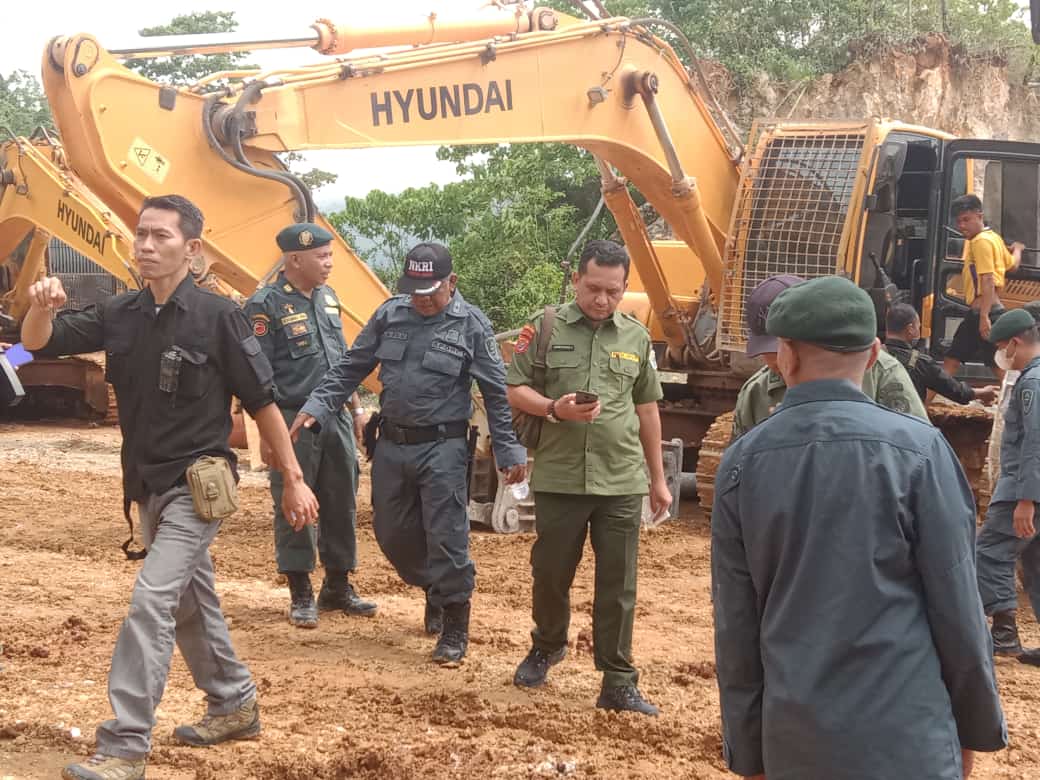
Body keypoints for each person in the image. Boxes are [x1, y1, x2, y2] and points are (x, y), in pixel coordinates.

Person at [21, 195, 319, 780]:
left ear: (193, 249)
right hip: (148, 485)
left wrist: (294, 480)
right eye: (141, 235)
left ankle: (124, 744)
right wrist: (41, 306)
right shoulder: (119, 313)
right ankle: (233, 701)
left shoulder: (219, 317)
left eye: (162, 236)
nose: (148, 246)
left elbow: (262, 405)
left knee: (151, 600)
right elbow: (35, 342)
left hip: (198, 485)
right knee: (188, 603)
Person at [712, 275, 1006, 780]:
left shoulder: (741, 462)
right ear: (873, 355)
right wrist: (973, 729)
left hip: (797, 740)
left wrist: (749, 750)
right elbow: (958, 608)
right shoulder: (921, 452)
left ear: (785, 354)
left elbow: (736, 626)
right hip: (909, 735)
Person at [291, 242, 526, 666]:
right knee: (391, 533)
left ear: (452, 282)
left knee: (447, 535)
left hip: (444, 448)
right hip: (393, 447)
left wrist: (508, 448)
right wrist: (318, 405)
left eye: (431, 291)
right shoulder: (390, 314)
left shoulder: (471, 325)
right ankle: (435, 585)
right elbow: (351, 366)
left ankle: (454, 622)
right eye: (415, 290)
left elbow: (495, 391)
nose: (422, 299)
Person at [506, 240, 672, 716]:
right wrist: (553, 409)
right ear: (577, 279)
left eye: (614, 292)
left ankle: (618, 679)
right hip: (560, 476)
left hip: (621, 480)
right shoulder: (543, 326)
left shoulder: (637, 337)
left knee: (618, 584)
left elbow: (647, 409)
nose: (603, 300)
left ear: (624, 289)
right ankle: (547, 645)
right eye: (594, 288)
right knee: (551, 573)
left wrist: (658, 479)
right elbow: (513, 387)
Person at [244, 223, 376, 629]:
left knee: (341, 500)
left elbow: (343, 362)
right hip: (290, 418)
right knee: (294, 505)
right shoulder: (263, 305)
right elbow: (255, 376)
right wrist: (267, 435)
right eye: (322, 256)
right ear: (294, 259)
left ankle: (337, 585)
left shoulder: (329, 298)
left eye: (330, 255)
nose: (329, 263)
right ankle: (301, 592)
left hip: (334, 416)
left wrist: (356, 409)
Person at [732, 274, 926, 440]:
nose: (783, 363)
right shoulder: (755, 393)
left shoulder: (883, 375)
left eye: (786, 347)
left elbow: (915, 451)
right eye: (772, 356)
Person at [977, 308, 1040, 664]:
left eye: (1003, 347)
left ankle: (1004, 636)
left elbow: (1034, 442)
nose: (1001, 356)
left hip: (1023, 489)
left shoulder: (1031, 383)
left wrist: (1026, 499)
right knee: (1034, 563)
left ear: (1015, 343)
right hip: (1032, 487)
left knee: (989, 552)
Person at [943, 193, 1023, 378]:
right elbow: (1013, 264)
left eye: (966, 220)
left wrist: (984, 317)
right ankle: (1014, 402)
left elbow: (987, 279)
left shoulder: (981, 242)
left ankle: (922, 406)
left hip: (984, 312)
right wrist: (1018, 249)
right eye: (958, 221)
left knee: (955, 360)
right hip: (985, 312)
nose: (961, 226)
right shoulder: (993, 238)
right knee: (991, 364)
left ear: (979, 216)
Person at [885, 302, 998, 405]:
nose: (919, 331)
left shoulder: (874, 355)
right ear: (910, 329)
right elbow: (956, 391)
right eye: (918, 327)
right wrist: (983, 392)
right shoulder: (921, 363)